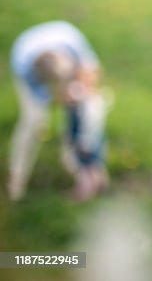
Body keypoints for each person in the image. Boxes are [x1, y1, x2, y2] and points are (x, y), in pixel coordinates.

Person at [8, 20, 109, 202]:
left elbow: (93, 73)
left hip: (63, 52)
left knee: (89, 109)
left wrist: (80, 91)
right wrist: (61, 96)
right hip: (29, 60)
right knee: (34, 122)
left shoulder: (73, 42)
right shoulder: (24, 66)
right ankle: (17, 178)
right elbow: (43, 98)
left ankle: (81, 164)